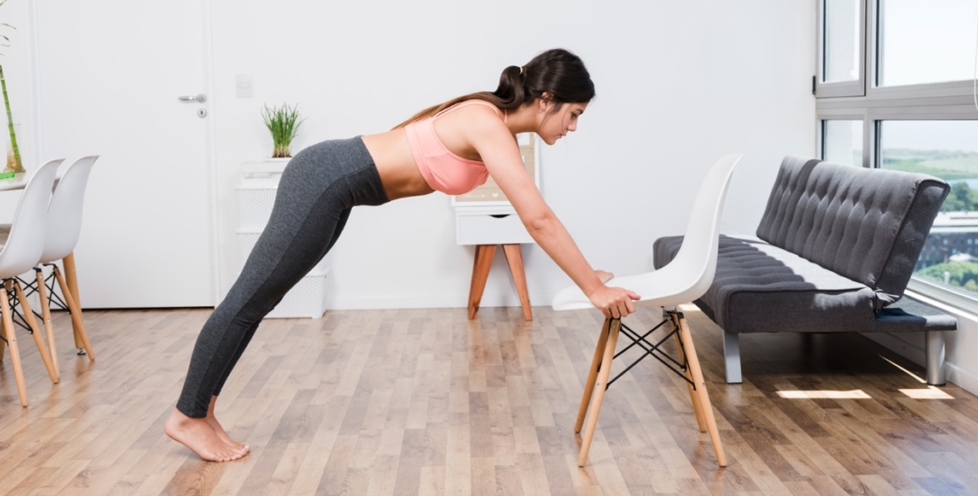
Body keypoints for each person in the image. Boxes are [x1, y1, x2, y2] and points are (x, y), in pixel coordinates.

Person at [165, 48, 640, 461]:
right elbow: (539, 218)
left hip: (336, 189)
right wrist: (593, 289)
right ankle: (187, 416)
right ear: (546, 100)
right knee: (249, 298)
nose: (573, 126)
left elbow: (531, 216)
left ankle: (201, 411)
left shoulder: (495, 128)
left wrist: (586, 276)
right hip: (324, 179)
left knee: (259, 301)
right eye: (573, 113)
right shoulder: (485, 121)